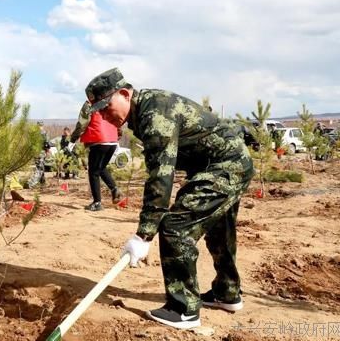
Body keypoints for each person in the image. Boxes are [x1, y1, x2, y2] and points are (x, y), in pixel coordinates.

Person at [85, 68, 254, 330]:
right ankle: (227, 292)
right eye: (99, 110)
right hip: (225, 164)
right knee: (218, 228)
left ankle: (184, 309)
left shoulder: (155, 113)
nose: (104, 114)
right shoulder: (144, 111)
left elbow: (161, 178)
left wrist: (143, 236)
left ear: (124, 93)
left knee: (176, 226)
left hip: (224, 165)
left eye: (106, 106)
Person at [69, 101, 122, 212]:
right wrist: (118, 135)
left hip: (98, 139)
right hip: (112, 140)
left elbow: (82, 123)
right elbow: (118, 120)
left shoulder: (90, 104)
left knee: (93, 172)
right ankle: (114, 189)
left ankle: (97, 203)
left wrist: (73, 139)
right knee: (100, 168)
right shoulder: (111, 102)